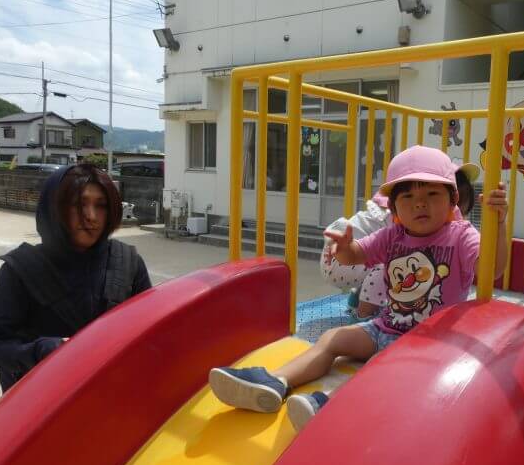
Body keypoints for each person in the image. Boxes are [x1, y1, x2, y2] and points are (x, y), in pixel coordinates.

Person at [210, 145, 508, 431]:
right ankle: (276, 381)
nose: (420, 203)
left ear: (453, 200)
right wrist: (343, 247)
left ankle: (333, 406)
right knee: (333, 338)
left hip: (428, 342)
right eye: (408, 197)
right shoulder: (393, 235)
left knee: (381, 364)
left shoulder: (461, 235)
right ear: (393, 207)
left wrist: (499, 225)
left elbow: (492, 269)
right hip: (385, 327)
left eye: (432, 194)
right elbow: (356, 255)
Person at [0, 164, 151, 392]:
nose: (91, 217)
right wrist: (39, 352)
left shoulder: (128, 262)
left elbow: (150, 333)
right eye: (78, 205)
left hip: (110, 395)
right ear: (54, 209)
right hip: (44, 401)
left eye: (101, 206)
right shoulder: (21, 268)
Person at [320, 161, 479, 319]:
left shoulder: (408, 208)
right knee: (397, 260)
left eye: (433, 195)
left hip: (345, 252)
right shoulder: (404, 218)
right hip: (341, 257)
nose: (420, 204)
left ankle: (357, 298)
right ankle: (364, 314)